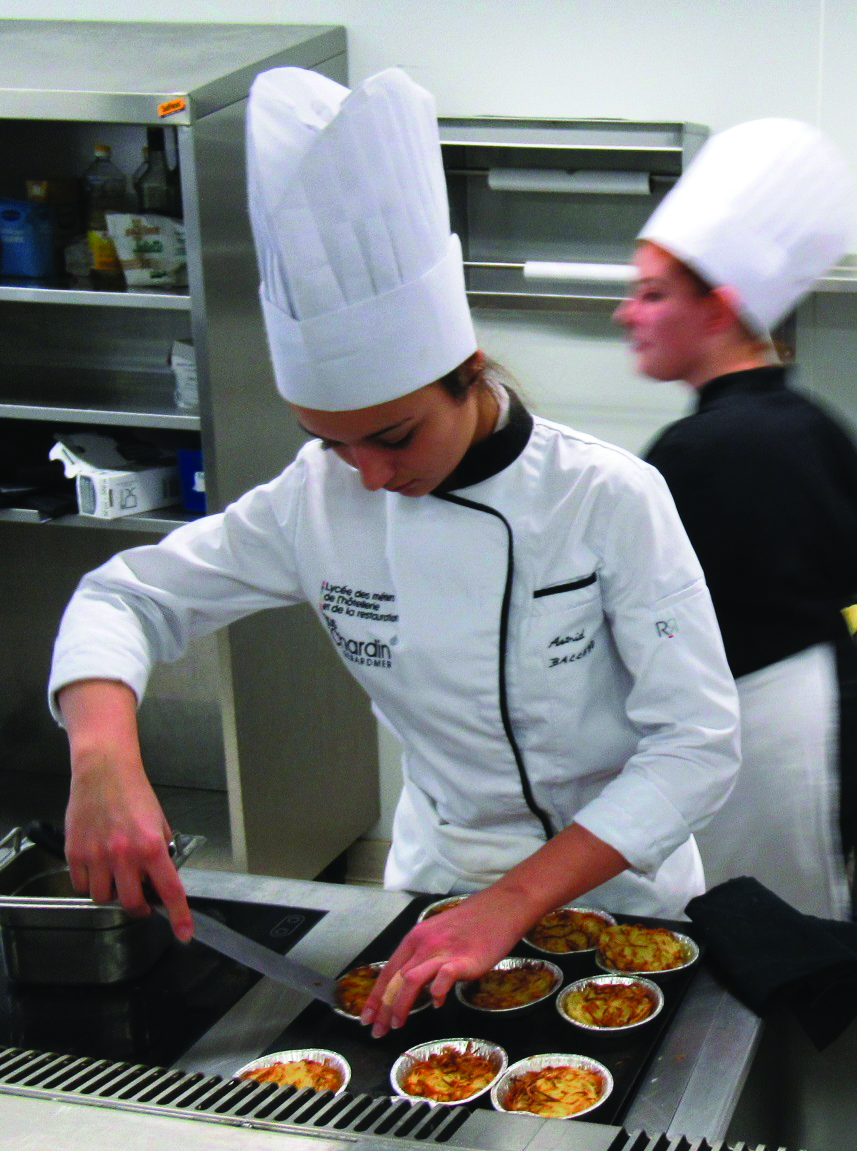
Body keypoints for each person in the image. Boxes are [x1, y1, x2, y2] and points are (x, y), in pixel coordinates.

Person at [49, 67, 740, 1034]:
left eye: (394, 436)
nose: (366, 476)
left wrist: (516, 901)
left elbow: (697, 747)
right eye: (335, 441)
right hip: (434, 895)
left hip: (618, 895)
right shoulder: (315, 501)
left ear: (464, 374)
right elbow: (126, 598)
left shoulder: (607, 497)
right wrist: (103, 756)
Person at [614, 119, 857, 919]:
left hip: (754, 749)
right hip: (820, 722)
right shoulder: (820, 426)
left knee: (750, 951)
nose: (629, 314)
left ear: (720, 310)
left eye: (653, 293)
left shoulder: (696, 453)